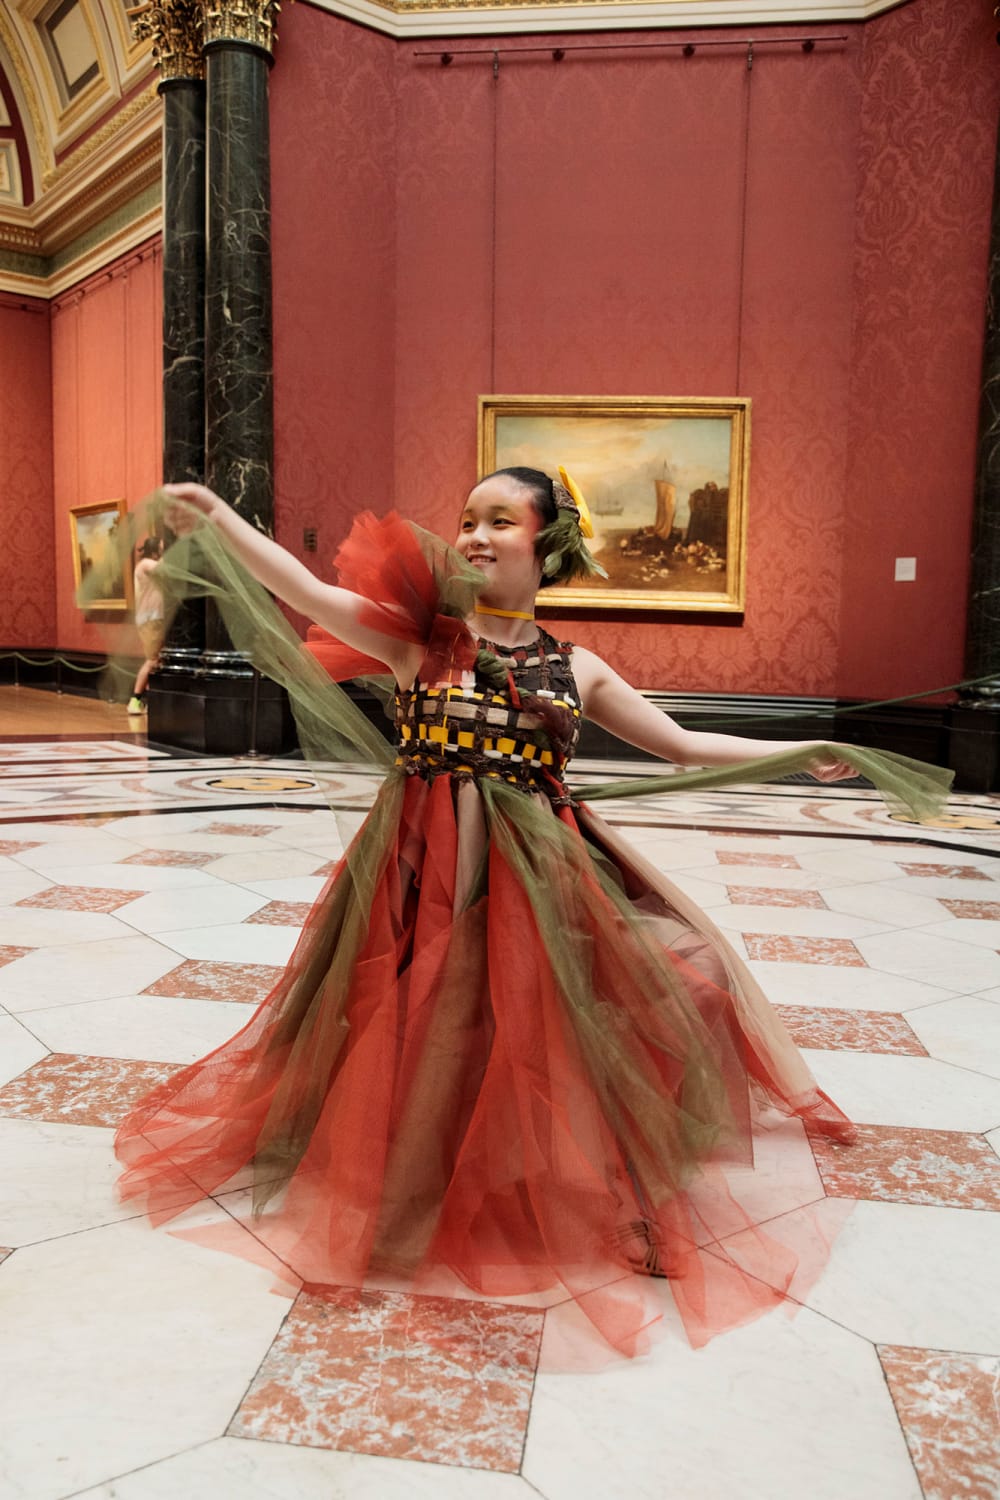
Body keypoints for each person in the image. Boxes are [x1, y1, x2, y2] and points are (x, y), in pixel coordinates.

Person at [113, 468, 894, 1358]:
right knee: (436, 1020)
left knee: (652, 988)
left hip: (547, 867)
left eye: (501, 521)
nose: (476, 536)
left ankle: (623, 1191)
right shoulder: (420, 641)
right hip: (428, 872)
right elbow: (304, 590)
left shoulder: (579, 667)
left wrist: (805, 748)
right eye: (467, 521)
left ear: (547, 543)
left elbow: (680, 745)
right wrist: (220, 516)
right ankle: (412, 1179)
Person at [127, 536, 165, 715]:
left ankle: (150, 699)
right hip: (150, 618)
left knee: (156, 660)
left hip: (156, 617)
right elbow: (166, 569)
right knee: (152, 660)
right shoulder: (145, 564)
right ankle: (135, 699)